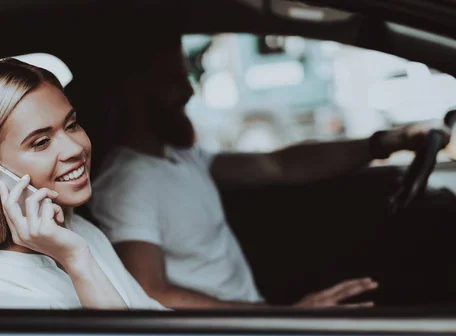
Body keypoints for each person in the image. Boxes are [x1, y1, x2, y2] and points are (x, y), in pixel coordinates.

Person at [88, 32, 450, 309]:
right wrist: (282, 318)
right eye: (171, 80)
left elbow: (280, 165)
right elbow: (149, 292)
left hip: (255, 315)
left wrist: (387, 142)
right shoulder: (127, 181)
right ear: (133, 91)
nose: (188, 91)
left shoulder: (178, 156)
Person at [0, 58, 165, 310]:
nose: (75, 148)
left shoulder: (78, 230)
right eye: (41, 142)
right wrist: (76, 260)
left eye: (72, 125)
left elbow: (152, 314)